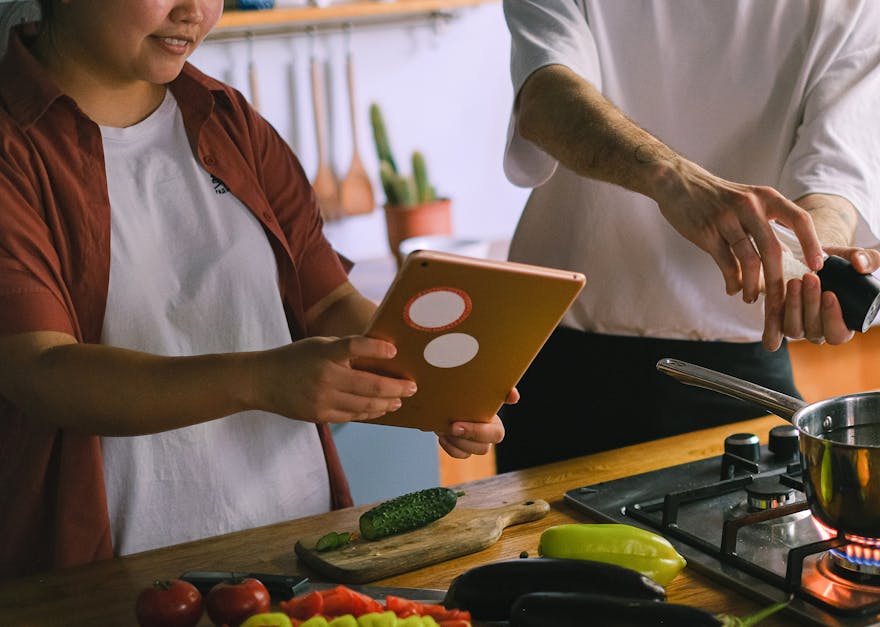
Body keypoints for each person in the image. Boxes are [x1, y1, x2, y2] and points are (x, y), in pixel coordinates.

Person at [0, 0, 507, 578]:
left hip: (298, 544)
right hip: (121, 570)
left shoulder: (228, 118)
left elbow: (330, 302)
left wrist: (439, 385)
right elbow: (40, 371)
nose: (194, 11)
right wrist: (262, 379)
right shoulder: (12, 148)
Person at [495, 0, 880, 472]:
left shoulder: (859, 7)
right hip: (562, 359)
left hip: (737, 369)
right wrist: (672, 178)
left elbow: (835, 175)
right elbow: (545, 99)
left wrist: (817, 254)